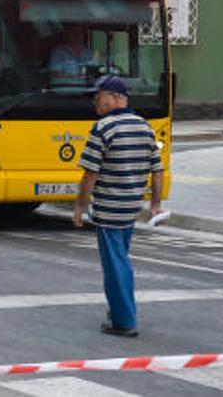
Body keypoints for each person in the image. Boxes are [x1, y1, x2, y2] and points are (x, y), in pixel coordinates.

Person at [72, 75, 164, 338]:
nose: (95, 103)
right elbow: (157, 169)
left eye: (98, 97)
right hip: (131, 206)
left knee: (115, 265)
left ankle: (123, 320)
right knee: (120, 258)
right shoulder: (145, 127)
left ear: (114, 98)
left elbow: (90, 173)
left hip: (109, 208)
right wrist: (155, 204)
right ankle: (119, 311)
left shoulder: (102, 128)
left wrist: (79, 206)